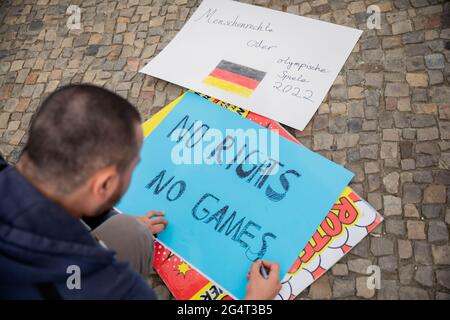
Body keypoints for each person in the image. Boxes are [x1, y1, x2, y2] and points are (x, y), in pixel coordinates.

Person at [0, 84, 281, 300]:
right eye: (134, 164)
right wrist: (255, 301)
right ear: (104, 185)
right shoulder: (112, 286)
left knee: (127, 231)